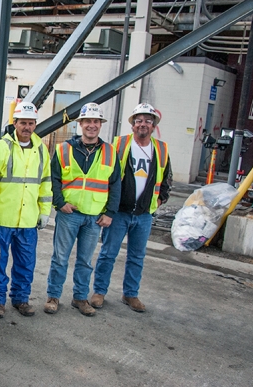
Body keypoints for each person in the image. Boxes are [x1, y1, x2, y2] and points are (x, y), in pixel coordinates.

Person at [91, 103, 171, 312]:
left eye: (147, 121)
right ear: (132, 125)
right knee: (108, 253)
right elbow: (106, 175)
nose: (142, 124)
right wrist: (108, 207)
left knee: (137, 257)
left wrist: (160, 200)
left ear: (153, 126)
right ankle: (99, 292)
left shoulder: (161, 149)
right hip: (119, 212)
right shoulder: (119, 144)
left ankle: (131, 294)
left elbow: (166, 178)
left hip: (144, 215)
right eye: (138, 120)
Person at [45, 102, 121, 317]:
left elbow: (116, 184)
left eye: (96, 121)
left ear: (100, 125)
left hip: (95, 216)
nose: (92, 125)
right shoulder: (64, 149)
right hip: (69, 214)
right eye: (88, 121)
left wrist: (110, 213)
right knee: (60, 258)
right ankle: (53, 296)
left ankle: (80, 298)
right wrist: (60, 203)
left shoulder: (110, 152)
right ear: (80, 124)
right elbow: (54, 179)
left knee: (85, 261)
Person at [0, 102, 52, 319]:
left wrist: (44, 211)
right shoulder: (2, 147)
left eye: (31, 123)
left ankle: (21, 299)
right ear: (15, 123)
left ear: (35, 125)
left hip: (29, 219)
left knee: (26, 263)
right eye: (23, 122)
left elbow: (46, 182)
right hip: (3, 218)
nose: (27, 127)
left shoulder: (41, 149)